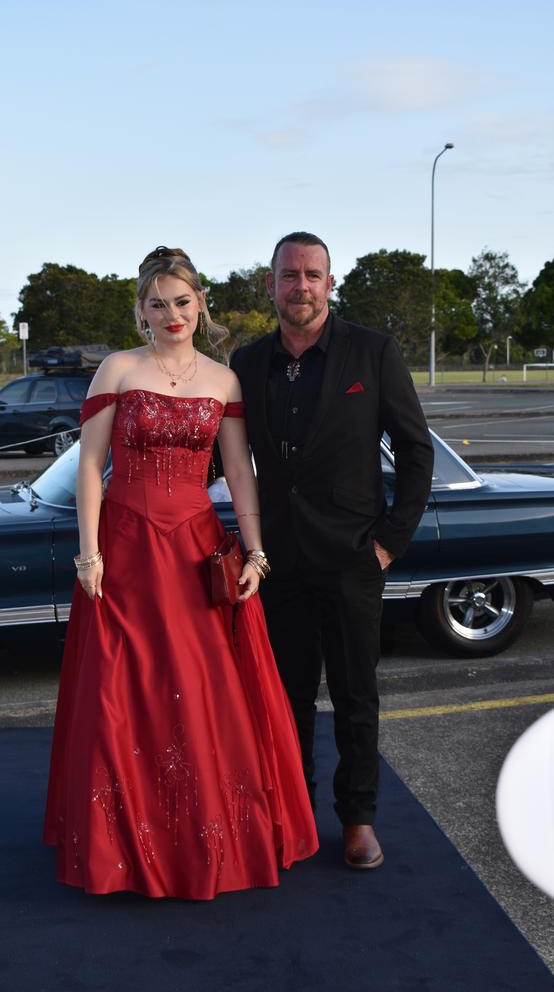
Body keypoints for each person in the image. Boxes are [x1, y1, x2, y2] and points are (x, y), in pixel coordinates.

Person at [43, 246, 318, 899]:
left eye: (182, 301)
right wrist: (89, 551)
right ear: (141, 311)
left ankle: (202, 838)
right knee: (124, 693)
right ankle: (123, 847)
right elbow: (89, 467)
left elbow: (240, 472)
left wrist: (254, 552)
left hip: (196, 551)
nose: (172, 314)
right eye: (158, 303)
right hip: (126, 549)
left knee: (202, 695)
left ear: (201, 305)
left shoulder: (223, 381)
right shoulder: (116, 369)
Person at [230, 232, 434, 869]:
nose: (301, 287)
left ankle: (359, 820)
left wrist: (388, 543)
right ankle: (294, 816)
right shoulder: (245, 362)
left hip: (352, 559)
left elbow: (415, 450)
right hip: (278, 562)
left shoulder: (372, 353)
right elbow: (220, 457)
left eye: (312, 275)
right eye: (289, 276)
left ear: (329, 281)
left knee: (354, 697)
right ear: (271, 286)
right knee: (285, 700)